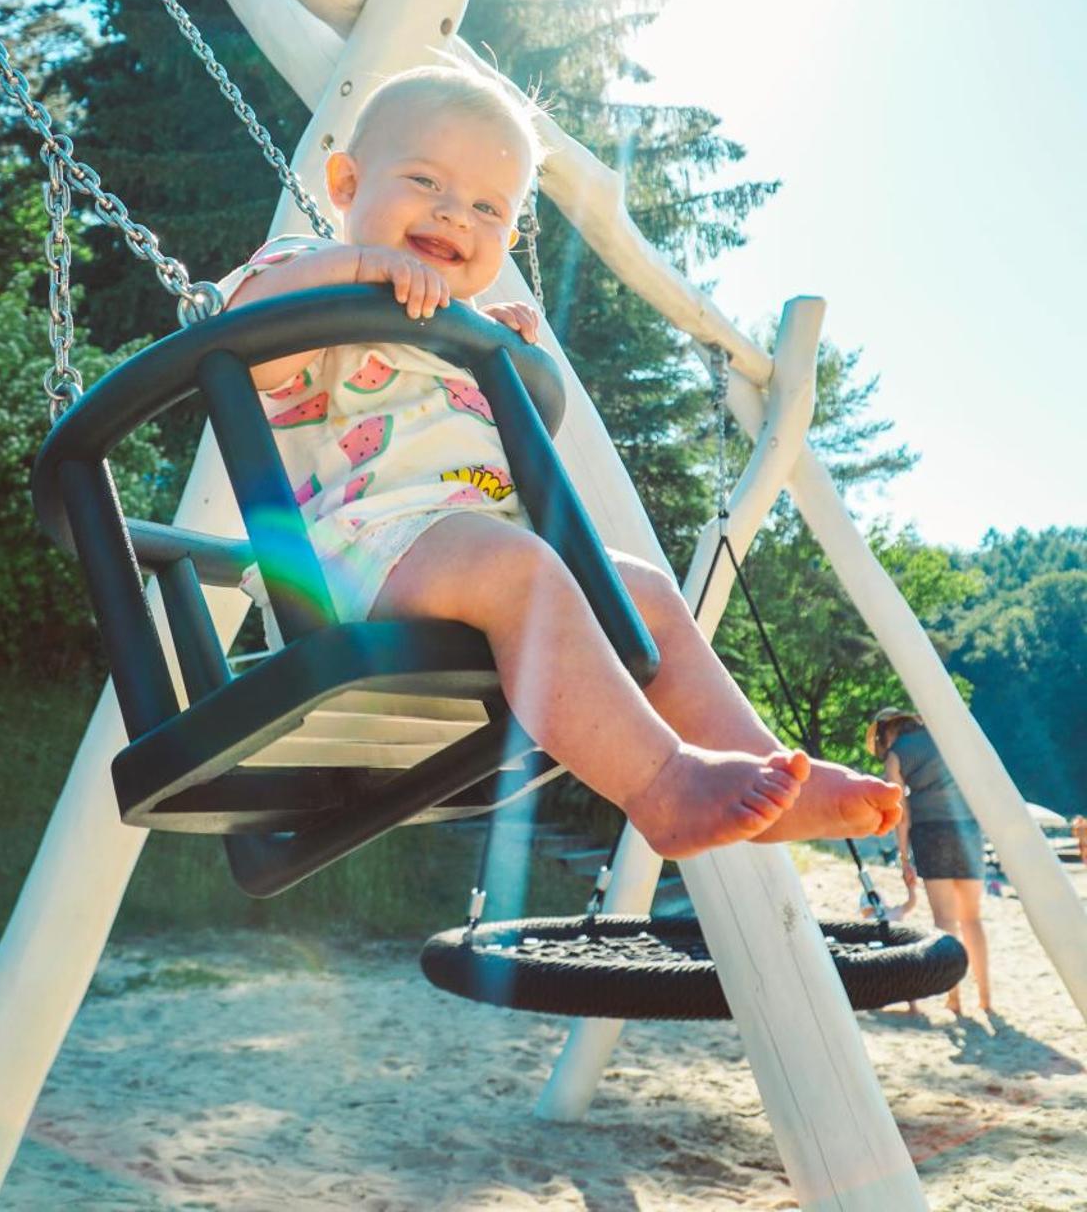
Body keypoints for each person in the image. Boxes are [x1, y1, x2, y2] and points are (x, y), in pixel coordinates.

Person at [225, 62, 902, 862]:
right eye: (424, 180)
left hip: (473, 557)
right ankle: (662, 788)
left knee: (643, 592)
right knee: (520, 567)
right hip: (348, 567)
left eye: (486, 207)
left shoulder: (454, 328)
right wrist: (355, 270)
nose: (454, 214)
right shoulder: (306, 275)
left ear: (507, 239)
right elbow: (239, 342)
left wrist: (487, 344)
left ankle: (763, 763)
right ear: (344, 182)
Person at [867, 707, 992, 1014]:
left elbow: (901, 814)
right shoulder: (945, 738)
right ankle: (986, 999)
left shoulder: (896, 754)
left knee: (945, 920)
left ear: (886, 732)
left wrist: (903, 856)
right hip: (967, 831)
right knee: (972, 919)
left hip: (931, 833)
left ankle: (954, 997)